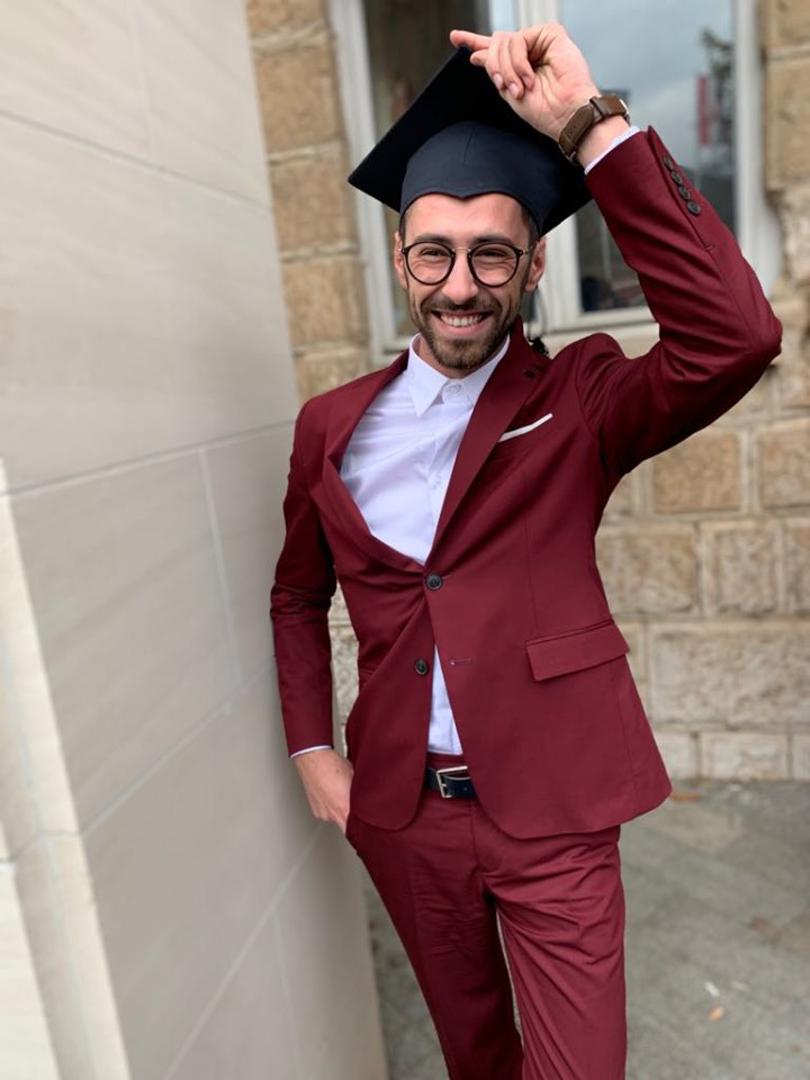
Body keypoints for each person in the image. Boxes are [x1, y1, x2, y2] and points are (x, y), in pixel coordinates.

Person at [270, 23, 781, 1080]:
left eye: (492, 253)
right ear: (401, 259)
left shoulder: (579, 398)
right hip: (404, 812)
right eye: (434, 252)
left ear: (535, 263)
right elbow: (296, 594)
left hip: (555, 813)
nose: (460, 285)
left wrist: (593, 129)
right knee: (476, 1059)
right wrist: (313, 750)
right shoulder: (330, 426)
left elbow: (737, 338)